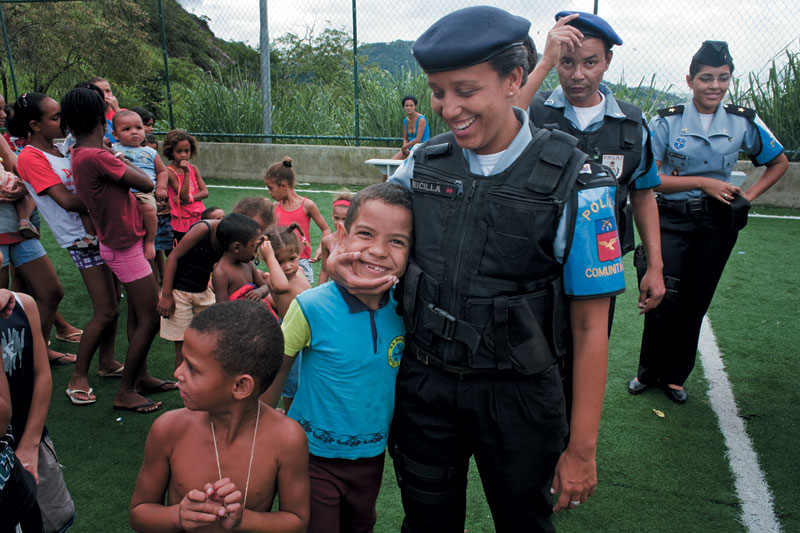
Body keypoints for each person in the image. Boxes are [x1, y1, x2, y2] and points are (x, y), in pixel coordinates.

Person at [329, 7, 624, 531]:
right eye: (439, 91)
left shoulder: (582, 183)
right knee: (426, 519)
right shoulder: (424, 162)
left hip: (521, 396)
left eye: (465, 90)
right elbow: (364, 231)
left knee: (524, 521)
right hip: (425, 385)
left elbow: (590, 324)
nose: (449, 108)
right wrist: (338, 258)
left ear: (515, 80)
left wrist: (582, 448)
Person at [628, 41, 788, 404]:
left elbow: (776, 162)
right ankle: (647, 371)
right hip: (670, 217)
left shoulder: (742, 120)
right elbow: (649, 179)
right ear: (690, 80)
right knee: (661, 295)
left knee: (696, 300)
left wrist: (747, 198)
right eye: (706, 78)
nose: (714, 86)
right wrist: (702, 182)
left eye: (722, 78)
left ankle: (674, 376)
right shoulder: (666, 121)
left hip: (716, 223)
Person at [264, 183, 412, 533]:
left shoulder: (408, 309)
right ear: (341, 235)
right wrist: (256, 435)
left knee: (361, 524)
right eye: (366, 234)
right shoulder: (310, 306)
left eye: (397, 241)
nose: (378, 251)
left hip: (371, 456)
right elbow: (276, 372)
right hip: (310, 456)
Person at [520, 11, 665, 321]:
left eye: (590, 62)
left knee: (592, 346)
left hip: (599, 259)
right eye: (567, 62)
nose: (577, 75)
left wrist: (655, 266)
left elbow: (642, 195)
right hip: (533, 257)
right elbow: (497, 124)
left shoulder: (631, 124)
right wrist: (544, 61)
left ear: (607, 61)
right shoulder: (531, 111)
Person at [129, 300, 310, 532]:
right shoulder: (169, 429)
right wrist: (178, 516)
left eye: (193, 368)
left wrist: (245, 521)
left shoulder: (287, 438)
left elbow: (297, 520)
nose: (178, 372)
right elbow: (139, 513)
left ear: (240, 386)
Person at [62, 87, 175, 414]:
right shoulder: (98, 156)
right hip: (123, 247)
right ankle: (125, 390)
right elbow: (146, 183)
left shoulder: (81, 153)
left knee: (141, 312)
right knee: (152, 314)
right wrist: (124, 158)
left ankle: (139, 377)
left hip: (126, 240)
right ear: (102, 119)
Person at [13, 92, 124, 405]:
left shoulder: (61, 147)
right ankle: (79, 376)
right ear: (34, 125)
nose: (63, 121)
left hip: (100, 230)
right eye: (55, 117)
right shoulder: (30, 157)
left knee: (114, 302)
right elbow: (66, 200)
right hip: (80, 238)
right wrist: (112, 194)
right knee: (105, 309)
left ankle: (107, 362)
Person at [2, 94, 77, 368]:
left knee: (50, 291)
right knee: (1, 299)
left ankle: (37, 351)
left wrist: (18, 184)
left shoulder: (9, 142)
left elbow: (16, 170)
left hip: (19, 226)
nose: (3, 114)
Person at [262, 223, 312, 413]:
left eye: (292, 258)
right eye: (279, 261)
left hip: (309, 335)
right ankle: (290, 416)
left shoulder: (298, 271)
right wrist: (268, 256)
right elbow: (282, 288)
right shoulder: (275, 279)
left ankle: (296, 412)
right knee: (292, 383)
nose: (288, 266)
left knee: (305, 377)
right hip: (292, 337)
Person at [112, 109, 169, 261]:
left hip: (143, 192)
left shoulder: (150, 152)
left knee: (150, 211)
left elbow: (163, 171)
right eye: (127, 129)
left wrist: (161, 187)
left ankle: (150, 240)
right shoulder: (113, 148)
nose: (134, 132)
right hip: (120, 192)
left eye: (138, 128)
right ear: (115, 135)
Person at [264, 156, 330, 284]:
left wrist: (321, 248)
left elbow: (326, 229)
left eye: (270, 188)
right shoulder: (274, 207)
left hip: (302, 261)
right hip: (280, 261)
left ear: (283, 185)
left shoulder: (307, 205)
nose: (269, 192)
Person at [212, 213, 281, 303]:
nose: (255, 251)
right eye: (253, 246)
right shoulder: (221, 273)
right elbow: (222, 308)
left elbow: (265, 286)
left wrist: (259, 292)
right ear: (237, 247)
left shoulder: (247, 263)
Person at [163, 129, 208, 242]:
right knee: (182, 248)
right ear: (171, 151)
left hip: (197, 214)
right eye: (179, 151)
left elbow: (205, 192)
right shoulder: (169, 172)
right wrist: (186, 173)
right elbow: (183, 196)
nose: (183, 155)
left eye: (187, 151)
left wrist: (191, 198)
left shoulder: (194, 168)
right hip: (181, 218)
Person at [318, 192, 353, 285]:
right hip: (335, 287)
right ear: (332, 217)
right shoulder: (327, 241)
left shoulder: (357, 240)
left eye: (345, 219)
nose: (340, 223)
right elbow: (324, 271)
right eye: (337, 218)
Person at [391, 95, 430, 161]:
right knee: (392, 161)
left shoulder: (421, 119)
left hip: (422, 147)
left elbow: (418, 139)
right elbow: (405, 138)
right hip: (410, 147)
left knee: (406, 163)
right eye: (406, 105)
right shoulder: (405, 120)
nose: (409, 108)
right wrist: (405, 148)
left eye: (411, 105)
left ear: (415, 106)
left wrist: (405, 147)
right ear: (404, 107)